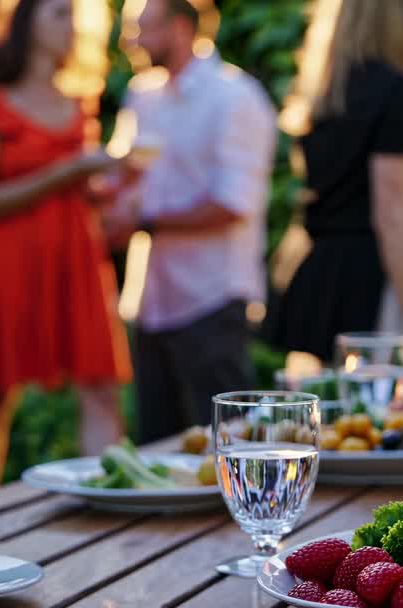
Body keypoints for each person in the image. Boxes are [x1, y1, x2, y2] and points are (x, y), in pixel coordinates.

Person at [0, 0, 131, 492]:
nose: (71, 26)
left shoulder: (78, 104)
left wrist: (112, 185)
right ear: (24, 25)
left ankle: (114, 501)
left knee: (99, 386)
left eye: (75, 16)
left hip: (77, 258)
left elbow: (83, 195)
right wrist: (67, 173)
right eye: (58, 14)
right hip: (10, 262)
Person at [104, 0, 276, 442]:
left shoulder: (235, 97)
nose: (133, 42)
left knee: (228, 447)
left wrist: (149, 223)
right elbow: (125, 179)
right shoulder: (142, 94)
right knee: (158, 449)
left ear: (181, 28)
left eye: (142, 29)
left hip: (211, 299)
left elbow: (233, 204)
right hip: (150, 303)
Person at [265, 0, 403, 362]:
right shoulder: (396, 92)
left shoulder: (331, 92)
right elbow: (391, 217)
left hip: (322, 278)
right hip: (371, 288)